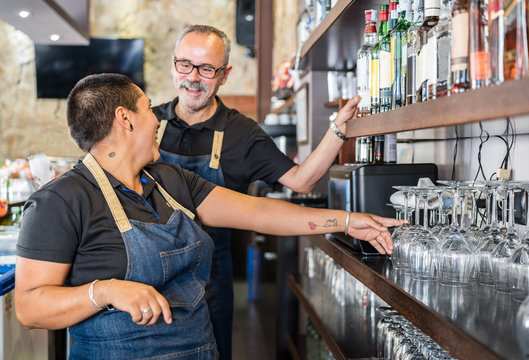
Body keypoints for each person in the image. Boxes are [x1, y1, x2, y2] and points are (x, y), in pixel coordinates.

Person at [14, 73, 401, 360]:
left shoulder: (168, 179)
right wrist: (106, 290)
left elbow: (258, 212)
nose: (157, 122)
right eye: (149, 109)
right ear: (126, 119)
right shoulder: (60, 201)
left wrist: (347, 221)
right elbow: (30, 307)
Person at [152, 25, 361, 359]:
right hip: (148, 279)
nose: (193, 77)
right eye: (185, 64)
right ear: (173, 64)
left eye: (207, 69)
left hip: (210, 282)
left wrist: (337, 129)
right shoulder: (147, 124)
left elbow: (302, 181)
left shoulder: (242, 133)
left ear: (224, 75)